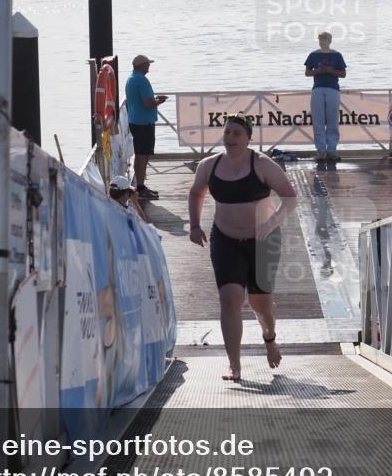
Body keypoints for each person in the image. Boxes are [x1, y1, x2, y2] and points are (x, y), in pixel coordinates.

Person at [188, 115, 298, 381]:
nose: (230, 138)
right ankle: (234, 365)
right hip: (225, 240)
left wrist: (271, 224)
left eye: (237, 133)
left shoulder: (262, 164)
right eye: (227, 133)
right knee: (230, 300)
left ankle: (269, 338)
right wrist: (194, 225)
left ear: (249, 138)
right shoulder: (209, 166)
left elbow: (290, 197)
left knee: (260, 304)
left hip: (263, 241)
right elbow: (196, 193)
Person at [124, 54, 168, 200]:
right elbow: (148, 103)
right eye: (147, 64)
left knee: (140, 154)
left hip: (135, 121)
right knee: (143, 155)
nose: (149, 66)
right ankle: (140, 187)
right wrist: (159, 101)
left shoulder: (130, 79)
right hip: (143, 123)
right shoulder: (141, 80)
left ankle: (140, 186)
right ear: (141, 65)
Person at [304, 31, 347, 161]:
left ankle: (332, 150)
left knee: (332, 120)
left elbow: (343, 73)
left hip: (332, 89)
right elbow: (307, 72)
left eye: (325, 40)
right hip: (318, 88)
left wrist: (330, 71)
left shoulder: (337, 55)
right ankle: (321, 150)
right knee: (318, 120)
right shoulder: (313, 55)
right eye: (321, 40)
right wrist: (318, 71)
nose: (323, 42)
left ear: (330, 41)